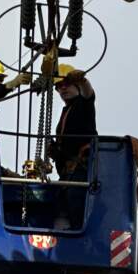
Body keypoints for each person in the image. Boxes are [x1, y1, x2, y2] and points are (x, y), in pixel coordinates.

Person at [46, 62, 97, 229]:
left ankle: (76, 239)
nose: (63, 89)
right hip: (67, 175)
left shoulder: (83, 105)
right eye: (59, 86)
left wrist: (82, 80)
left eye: (67, 84)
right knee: (58, 207)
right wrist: (54, 151)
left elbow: (89, 94)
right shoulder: (66, 111)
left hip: (81, 172)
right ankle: (60, 245)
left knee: (75, 206)